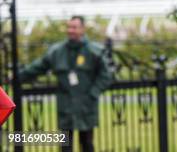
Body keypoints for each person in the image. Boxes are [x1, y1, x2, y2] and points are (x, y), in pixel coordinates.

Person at [19, 16, 112, 152]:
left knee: (87, 143)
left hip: (86, 106)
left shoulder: (94, 51)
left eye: (74, 27)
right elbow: (38, 67)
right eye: (69, 27)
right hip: (65, 106)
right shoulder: (57, 52)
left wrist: (94, 93)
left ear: (82, 29)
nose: (71, 30)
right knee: (65, 145)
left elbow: (106, 75)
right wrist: (17, 77)